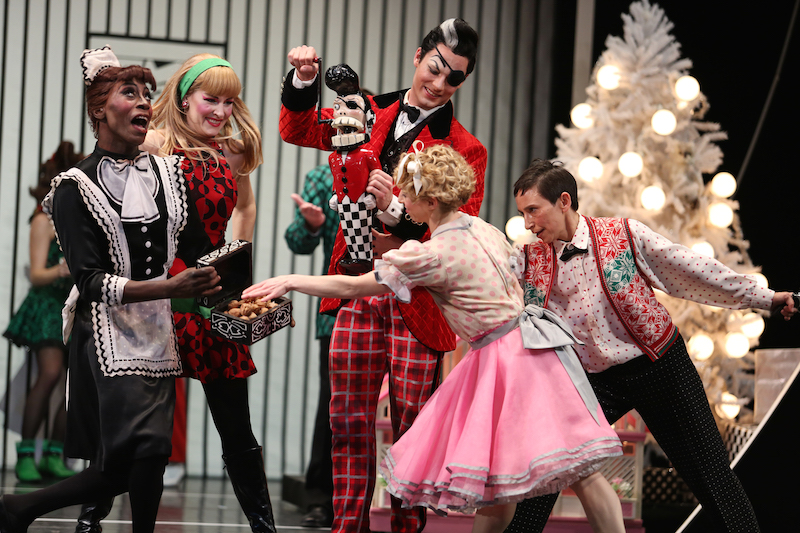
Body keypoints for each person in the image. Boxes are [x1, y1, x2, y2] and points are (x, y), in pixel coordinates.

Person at [243, 144, 627, 533]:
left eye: (406, 196)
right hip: (536, 351)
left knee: (514, 476)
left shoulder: (433, 253)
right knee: (547, 472)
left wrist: (290, 280)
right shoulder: (483, 228)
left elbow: (354, 286)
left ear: (429, 200)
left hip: (505, 360)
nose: (401, 204)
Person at [505, 159, 799, 533]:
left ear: (564, 201)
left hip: (659, 364)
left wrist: (765, 297)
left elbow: (690, 268)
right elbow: (486, 277)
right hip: (594, 381)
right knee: (547, 461)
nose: (528, 223)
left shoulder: (621, 234)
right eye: (523, 213)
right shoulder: (530, 259)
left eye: (533, 210)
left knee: (709, 475)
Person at [279, 18, 487, 533]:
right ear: (419, 56)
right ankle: (346, 527)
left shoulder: (465, 146)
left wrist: (400, 213)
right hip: (355, 285)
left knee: (412, 431)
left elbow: (459, 232)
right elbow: (298, 130)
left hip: (417, 301)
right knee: (346, 423)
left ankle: (407, 529)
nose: (439, 83)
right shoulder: (364, 109)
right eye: (436, 67)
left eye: (454, 78)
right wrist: (305, 80)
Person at [0, 46, 219, 533]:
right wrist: (171, 284)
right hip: (102, 331)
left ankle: (20, 510)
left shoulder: (170, 174)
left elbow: (202, 245)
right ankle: (22, 509)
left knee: (152, 453)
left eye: (148, 93)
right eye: (129, 93)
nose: (144, 102)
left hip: (157, 329)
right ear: (99, 108)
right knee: (132, 455)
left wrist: (232, 282)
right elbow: (90, 281)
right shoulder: (72, 187)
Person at [3, 141, 82, 483]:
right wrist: (64, 269)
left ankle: (53, 454)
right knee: (50, 375)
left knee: (68, 384)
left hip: (70, 307)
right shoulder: (42, 219)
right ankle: (25, 455)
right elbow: (37, 275)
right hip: (45, 307)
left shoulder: (75, 220)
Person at [284, 164, 339, 528]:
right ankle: (321, 497)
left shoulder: (398, 165)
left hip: (398, 304)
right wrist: (314, 224)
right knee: (333, 404)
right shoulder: (324, 176)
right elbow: (297, 241)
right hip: (336, 309)